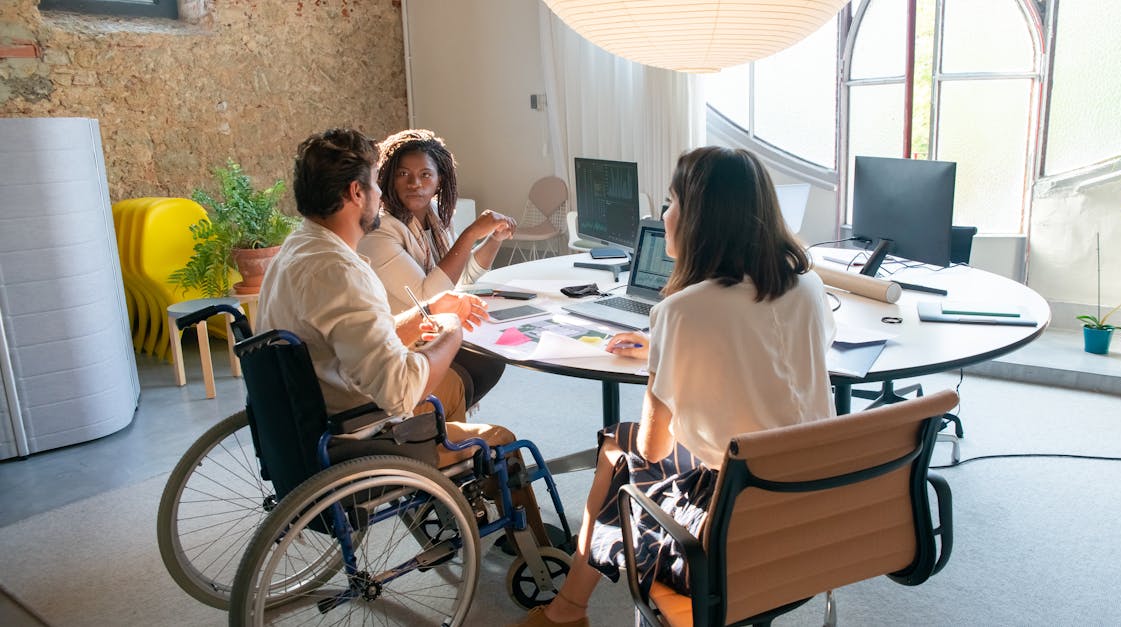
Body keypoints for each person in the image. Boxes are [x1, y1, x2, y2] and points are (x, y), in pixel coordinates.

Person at [514, 146, 836, 627]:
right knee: (618, 447)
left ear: (700, 219)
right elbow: (776, 364)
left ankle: (566, 611)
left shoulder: (682, 312)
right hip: (812, 504)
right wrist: (670, 350)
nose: (663, 215)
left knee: (619, 448)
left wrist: (664, 358)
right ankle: (567, 610)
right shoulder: (807, 286)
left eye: (671, 202)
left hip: (727, 522)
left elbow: (655, 443)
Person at [258, 127, 547, 544]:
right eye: (378, 182)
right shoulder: (343, 272)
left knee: (459, 375)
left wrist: (427, 311)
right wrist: (448, 330)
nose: (382, 194)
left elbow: (350, 337)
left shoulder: (298, 249)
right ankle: (538, 557)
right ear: (358, 193)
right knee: (501, 439)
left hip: (305, 419)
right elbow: (399, 391)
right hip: (360, 435)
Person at [359, 128, 514, 408]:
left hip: (429, 333)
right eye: (403, 174)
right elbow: (427, 297)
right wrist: (469, 235)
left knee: (491, 354)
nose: (414, 183)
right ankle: (431, 422)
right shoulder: (380, 231)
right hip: (400, 346)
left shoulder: (436, 219)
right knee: (481, 359)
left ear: (440, 181)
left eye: (425, 175)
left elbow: (460, 276)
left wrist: (493, 239)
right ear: (389, 178)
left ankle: (443, 423)